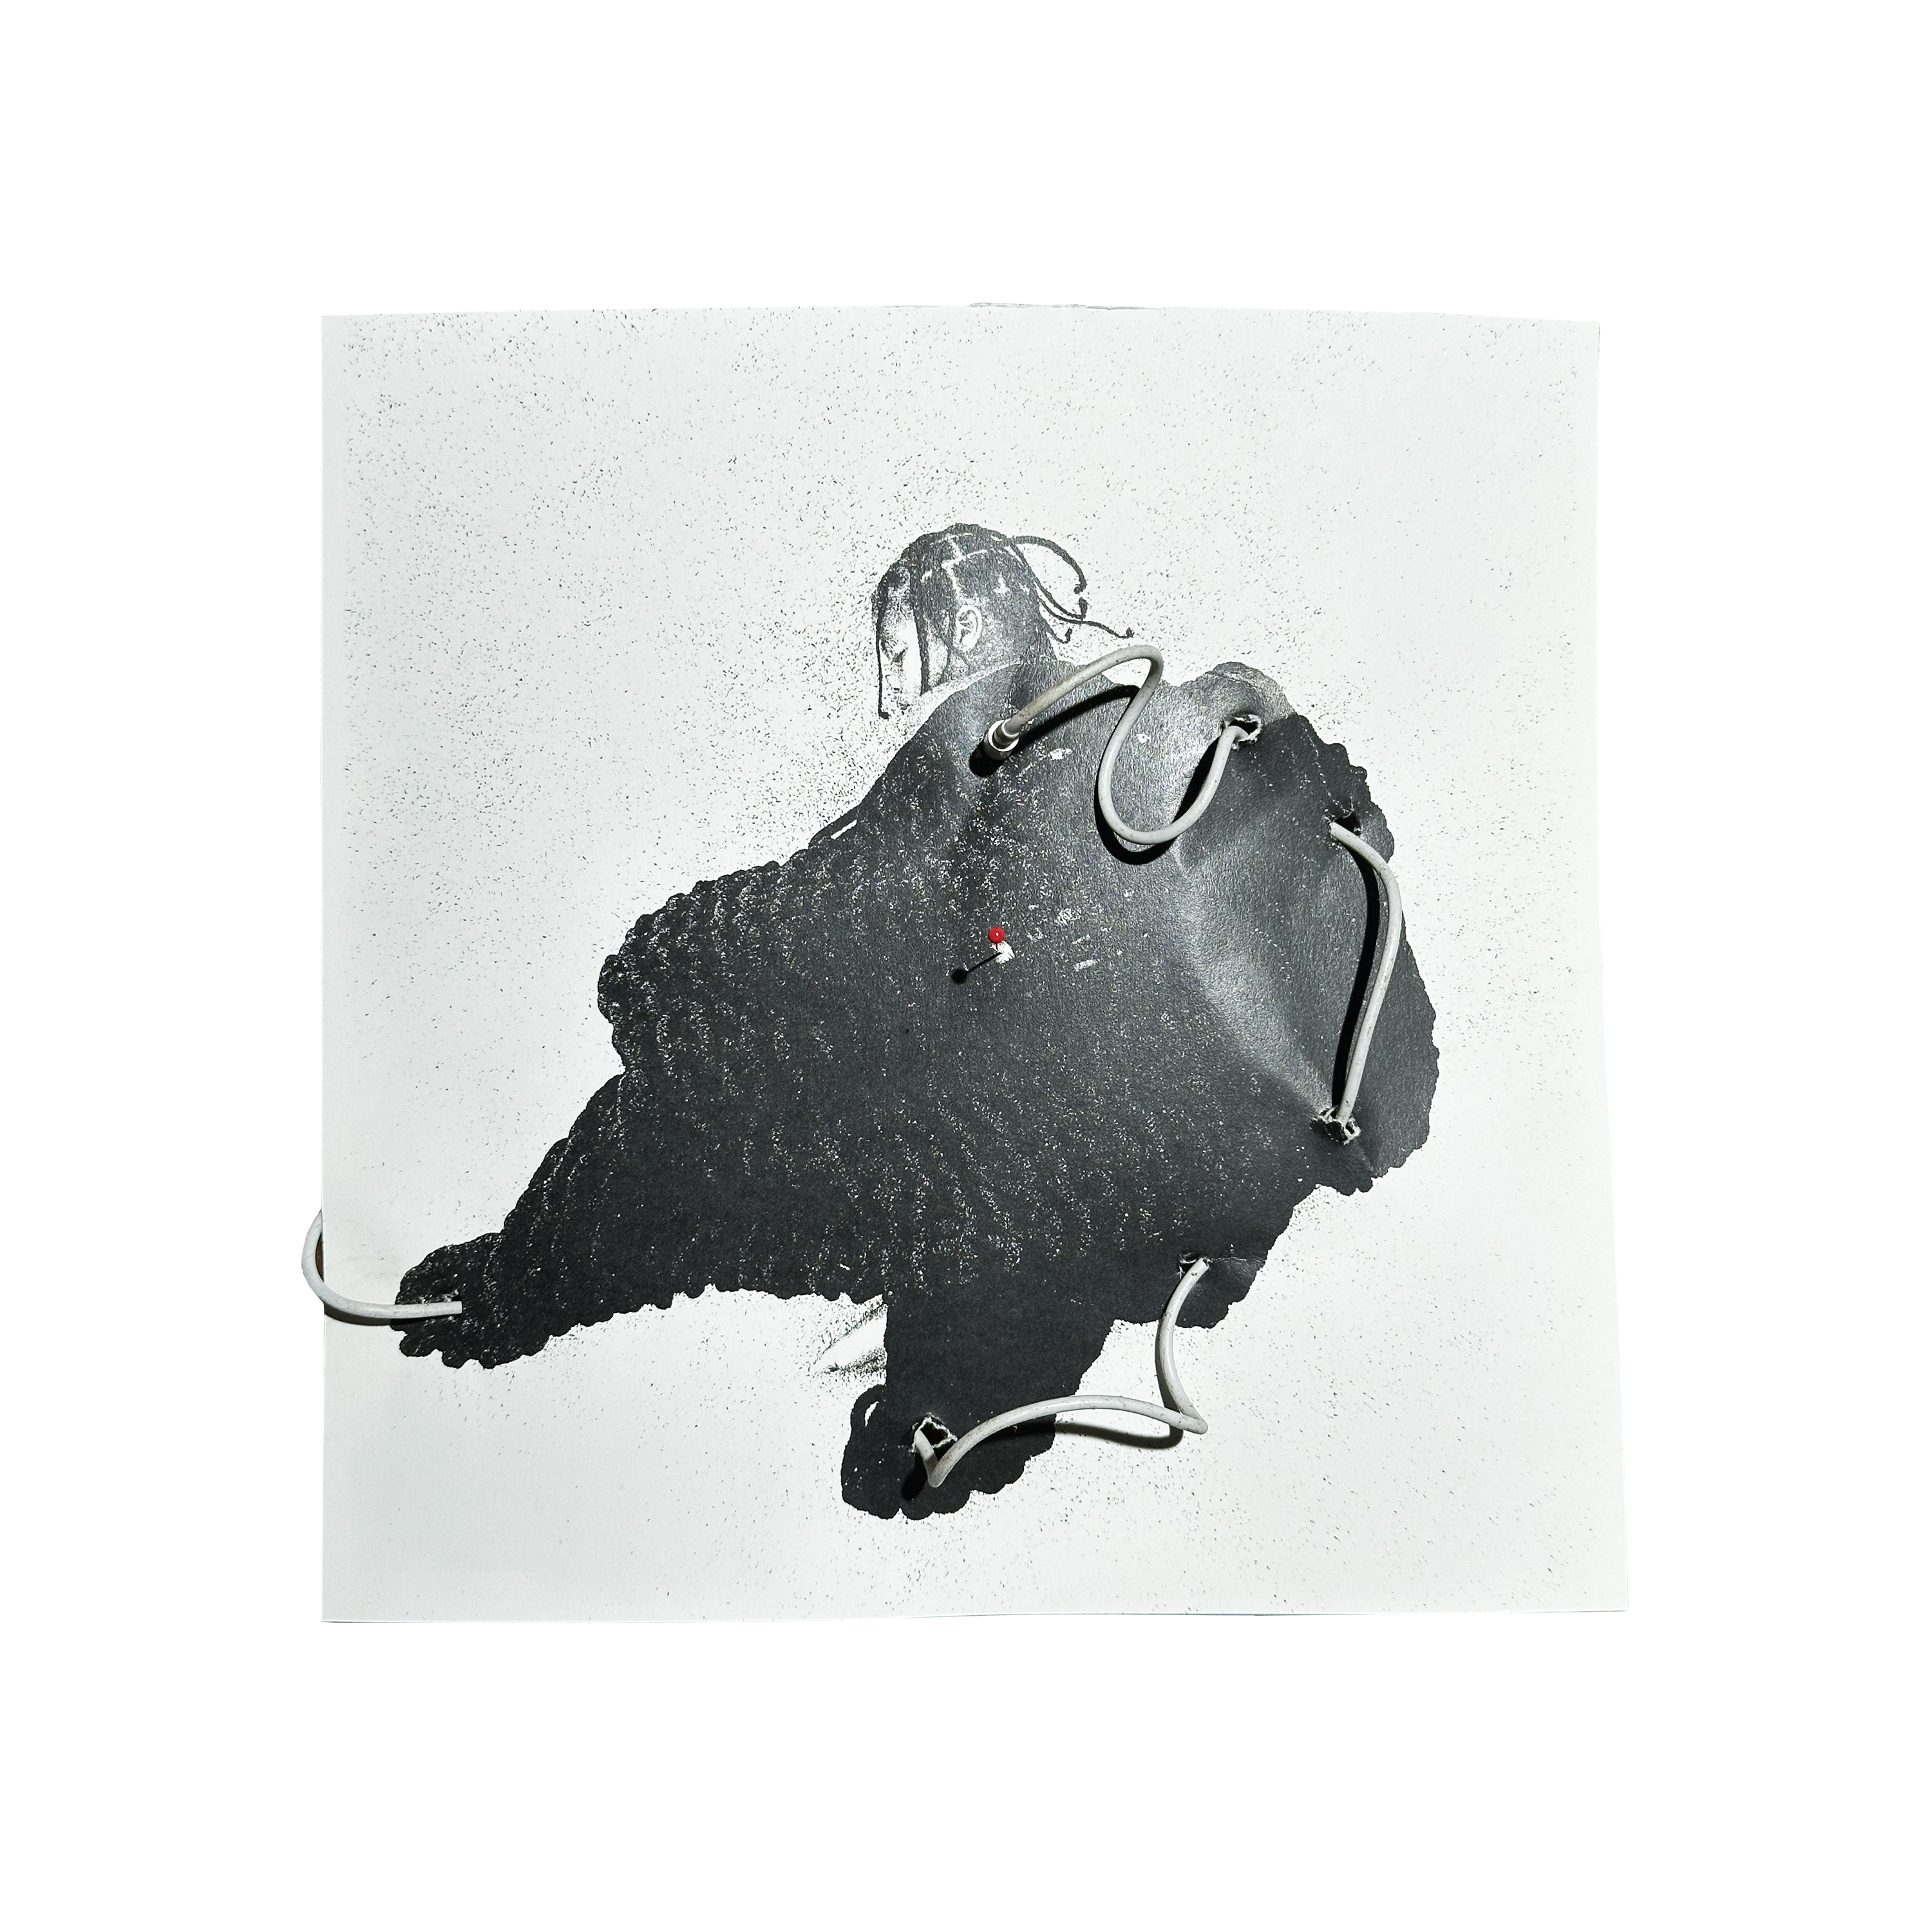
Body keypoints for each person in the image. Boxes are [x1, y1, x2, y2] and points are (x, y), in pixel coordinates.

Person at [871, 524, 1128, 720]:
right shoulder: (1115, 705)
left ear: (965, 629)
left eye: (898, 656)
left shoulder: (931, 746)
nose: (888, 692)